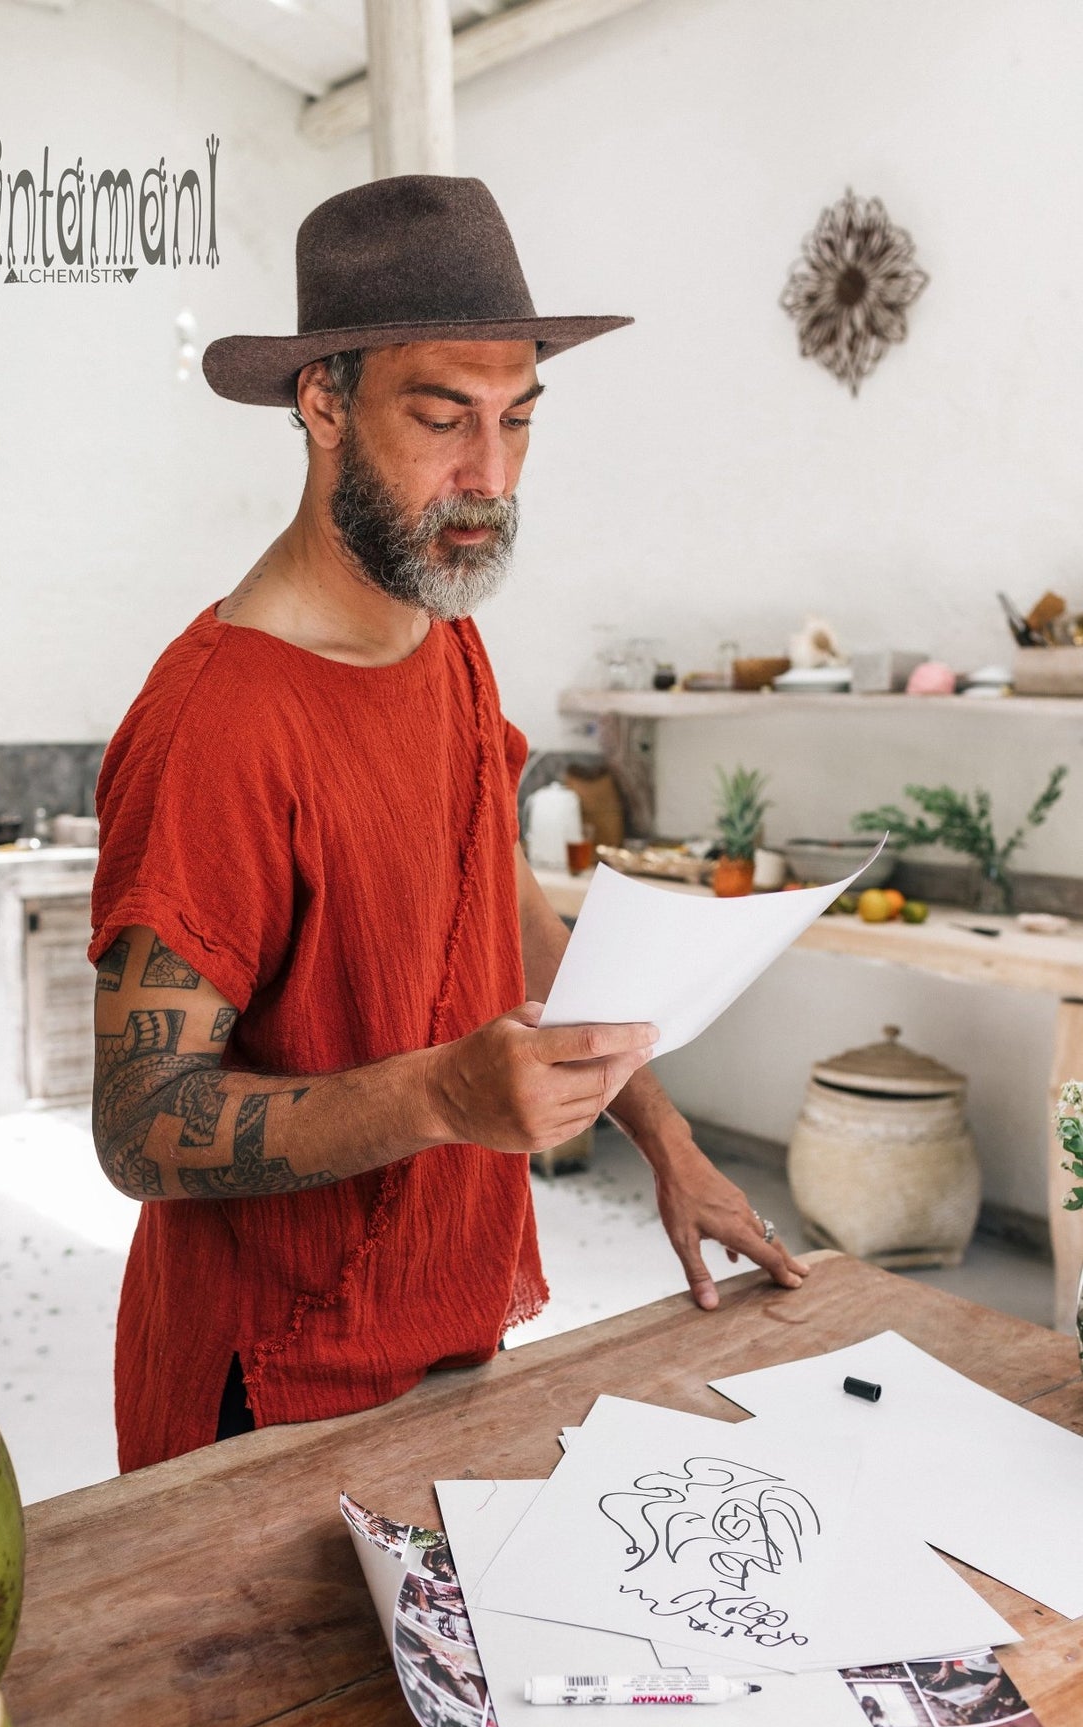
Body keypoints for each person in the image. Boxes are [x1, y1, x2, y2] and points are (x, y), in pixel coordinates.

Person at [89, 174, 809, 1472]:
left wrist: (669, 1138)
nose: (490, 476)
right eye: (441, 418)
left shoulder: (445, 633)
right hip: (266, 1391)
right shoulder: (223, 722)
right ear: (322, 402)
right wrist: (439, 1093)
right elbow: (142, 1123)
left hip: (453, 1327)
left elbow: (501, 907)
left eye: (519, 420)